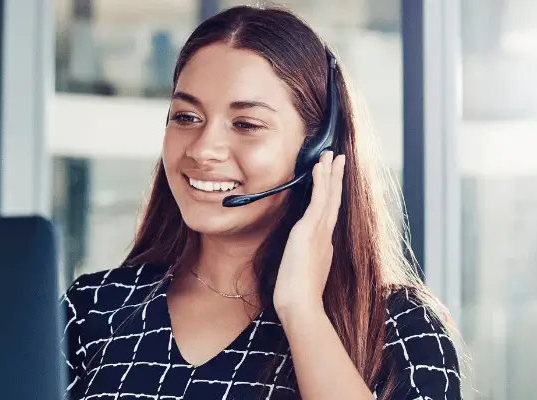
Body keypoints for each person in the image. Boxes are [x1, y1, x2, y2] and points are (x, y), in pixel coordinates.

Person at [62, 5, 463, 399]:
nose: (203, 150)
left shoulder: (400, 329)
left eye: (246, 124)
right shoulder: (93, 310)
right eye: (186, 117)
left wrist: (302, 310)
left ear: (315, 149)